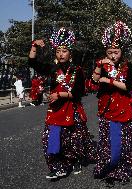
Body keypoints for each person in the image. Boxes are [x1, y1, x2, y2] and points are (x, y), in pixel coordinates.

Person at [28, 27, 95, 179]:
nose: (61, 54)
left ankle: (76, 159)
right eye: (58, 51)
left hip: (73, 109)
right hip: (56, 110)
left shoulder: (77, 70)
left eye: (64, 51)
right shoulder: (52, 69)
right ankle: (58, 167)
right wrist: (34, 45)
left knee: (74, 139)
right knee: (50, 138)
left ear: (70, 53)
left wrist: (60, 94)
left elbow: (79, 92)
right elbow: (32, 62)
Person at [92, 21, 132, 184]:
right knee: (107, 142)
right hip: (106, 108)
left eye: (116, 52)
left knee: (124, 143)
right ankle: (108, 168)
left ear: (121, 52)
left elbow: (127, 87)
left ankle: (122, 170)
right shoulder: (102, 64)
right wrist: (99, 66)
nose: (113, 55)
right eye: (110, 52)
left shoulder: (128, 66)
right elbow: (94, 81)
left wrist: (109, 81)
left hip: (124, 108)